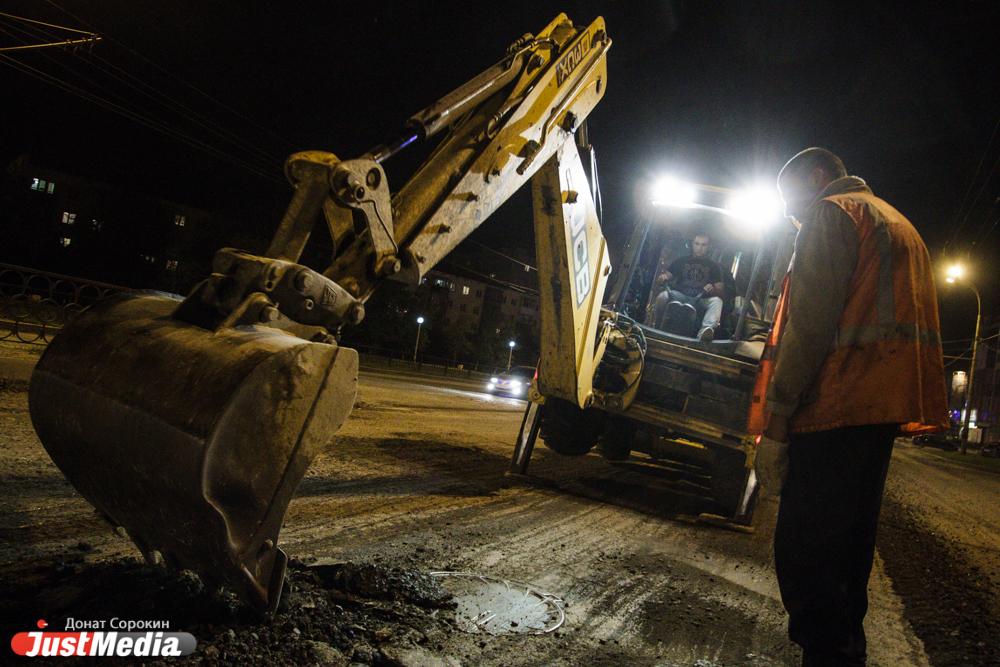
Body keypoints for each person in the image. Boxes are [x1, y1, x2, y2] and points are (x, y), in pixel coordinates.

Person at [751, 148, 947, 666]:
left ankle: (826, 656)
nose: (791, 213)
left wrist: (776, 419)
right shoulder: (897, 222)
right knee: (848, 551)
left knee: (805, 551)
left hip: (834, 404)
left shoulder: (832, 213)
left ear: (817, 177)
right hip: (877, 411)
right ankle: (843, 654)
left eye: (789, 196)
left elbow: (809, 327)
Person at [652, 232, 725, 341]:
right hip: (680, 295)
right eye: (697, 244)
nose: (699, 248)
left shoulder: (714, 267)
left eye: (703, 245)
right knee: (663, 297)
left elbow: (720, 292)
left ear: (708, 247)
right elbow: (664, 277)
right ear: (692, 244)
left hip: (701, 299)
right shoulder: (681, 261)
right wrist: (662, 278)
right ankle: (656, 327)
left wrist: (713, 290)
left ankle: (705, 332)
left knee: (717, 301)